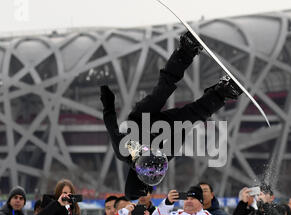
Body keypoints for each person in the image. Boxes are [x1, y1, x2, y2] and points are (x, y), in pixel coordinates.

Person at [100, 31, 243, 200]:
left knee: (163, 89)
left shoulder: (123, 151)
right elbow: (179, 137)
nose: (154, 153)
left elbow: (111, 126)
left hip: (141, 118)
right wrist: (187, 122)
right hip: (163, 128)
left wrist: (108, 102)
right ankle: (223, 91)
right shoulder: (161, 161)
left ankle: (186, 49)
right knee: (193, 115)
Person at [151, 185, 227, 215]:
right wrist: (167, 203)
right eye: (186, 199)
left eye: (193, 199)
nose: (189, 201)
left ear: (201, 202)